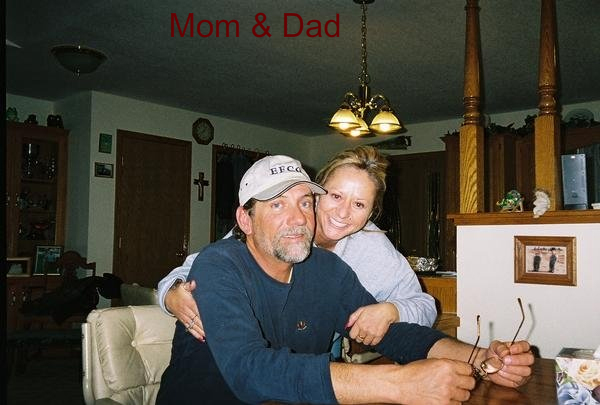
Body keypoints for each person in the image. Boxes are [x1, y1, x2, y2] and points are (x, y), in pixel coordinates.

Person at [156, 155, 534, 405]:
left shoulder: (327, 269)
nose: (298, 217)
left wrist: (480, 358)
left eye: (305, 202)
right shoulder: (219, 264)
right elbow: (250, 371)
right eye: (277, 205)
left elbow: (395, 335)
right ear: (245, 220)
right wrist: (399, 384)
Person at [158, 146, 436, 347]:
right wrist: (172, 295)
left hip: (317, 352)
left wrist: (392, 310)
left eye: (359, 204)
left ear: (371, 212)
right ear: (316, 193)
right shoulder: (281, 230)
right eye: (336, 196)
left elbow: (425, 305)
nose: (343, 213)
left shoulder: (372, 247)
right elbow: (199, 267)